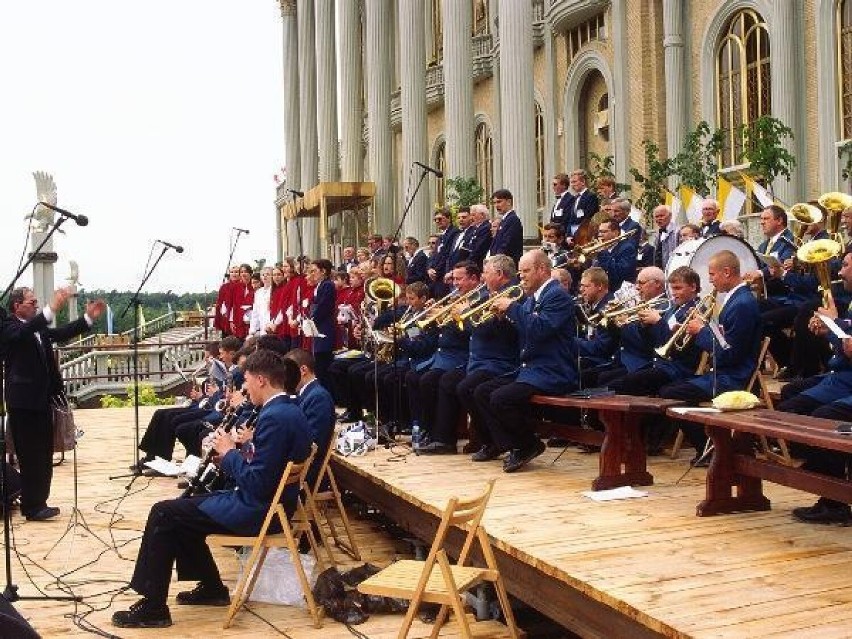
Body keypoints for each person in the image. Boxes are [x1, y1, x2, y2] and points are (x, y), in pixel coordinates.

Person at [111, 349, 310, 629]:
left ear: (262, 380)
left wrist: (229, 453)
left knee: (165, 513)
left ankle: (154, 605)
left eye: (248, 381)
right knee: (185, 511)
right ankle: (212, 588)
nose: (245, 388)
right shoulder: (289, 409)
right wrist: (237, 453)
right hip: (273, 506)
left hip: (259, 511)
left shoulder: (274, 417)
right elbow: (265, 467)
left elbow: (259, 484)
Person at [1, 287, 105, 521]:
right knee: (29, 455)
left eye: (38, 302)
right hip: (23, 403)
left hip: (42, 401)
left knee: (43, 452)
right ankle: (31, 506)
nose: (36, 305)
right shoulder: (9, 326)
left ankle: (40, 502)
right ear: (17, 305)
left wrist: (87, 318)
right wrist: (52, 308)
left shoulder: (38, 329)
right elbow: (25, 331)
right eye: (32, 302)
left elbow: (61, 332)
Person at [473, 250, 579, 471]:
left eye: (526, 271)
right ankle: (512, 444)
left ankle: (527, 444)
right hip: (531, 369)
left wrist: (512, 308)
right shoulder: (534, 297)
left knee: (501, 398)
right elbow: (525, 328)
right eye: (520, 272)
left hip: (553, 370)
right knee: (482, 391)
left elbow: (540, 329)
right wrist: (505, 318)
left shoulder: (557, 295)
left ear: (542, 269)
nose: (521, 276)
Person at [659, 251, 762, 461]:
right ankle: (712, 446)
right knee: (673, 387)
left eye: (712, 274)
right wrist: (702, 326)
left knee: (672, 393)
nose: (710, 279)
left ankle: (714, 449)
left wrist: (700, 332)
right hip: (724, 371)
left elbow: (729, 354)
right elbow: (723, 339)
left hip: (733, 377)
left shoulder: (741, 304)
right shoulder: (736, 300)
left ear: (726, 272)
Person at [286, 348, 335, 488]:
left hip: (307, 470)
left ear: (303, 370)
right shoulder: (307, 394)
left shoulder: (318, 397)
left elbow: (312, 442)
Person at [489, 189, 524, 264]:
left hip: (506, 265)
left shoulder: (512, 220)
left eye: (499, 202)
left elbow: (507, 244)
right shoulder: (504, 220)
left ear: (509, 202)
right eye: (494, 203)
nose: (496, 205)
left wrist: (496, 260)